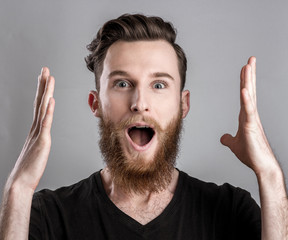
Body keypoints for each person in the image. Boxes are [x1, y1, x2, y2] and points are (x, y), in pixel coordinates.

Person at [0, 13, 287, 240]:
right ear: (95, 103)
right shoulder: (49, 215)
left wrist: (270, 175)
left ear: (183, 104)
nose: (139, 102)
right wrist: (19, 188)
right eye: (122, 84)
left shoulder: (230, 210)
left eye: (159, 84)